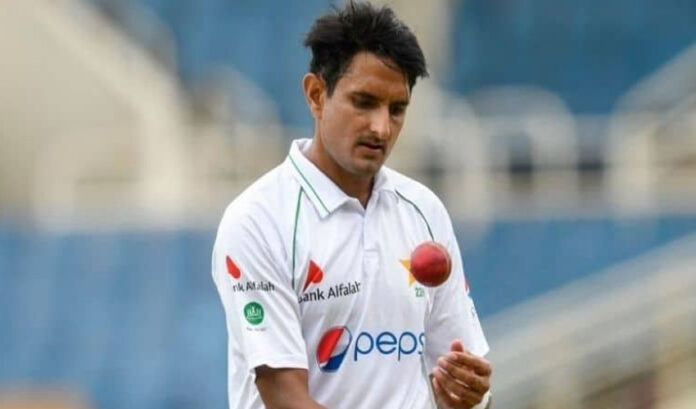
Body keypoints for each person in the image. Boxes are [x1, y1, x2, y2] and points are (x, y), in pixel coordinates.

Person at [211, 2, 492, 408]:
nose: (381, 127)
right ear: (316, 95)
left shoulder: (424, 212)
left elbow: (460, 379)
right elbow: (286, 398)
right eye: (364, 102)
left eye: (397, 109)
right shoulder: (258, 220)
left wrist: (471, 396)